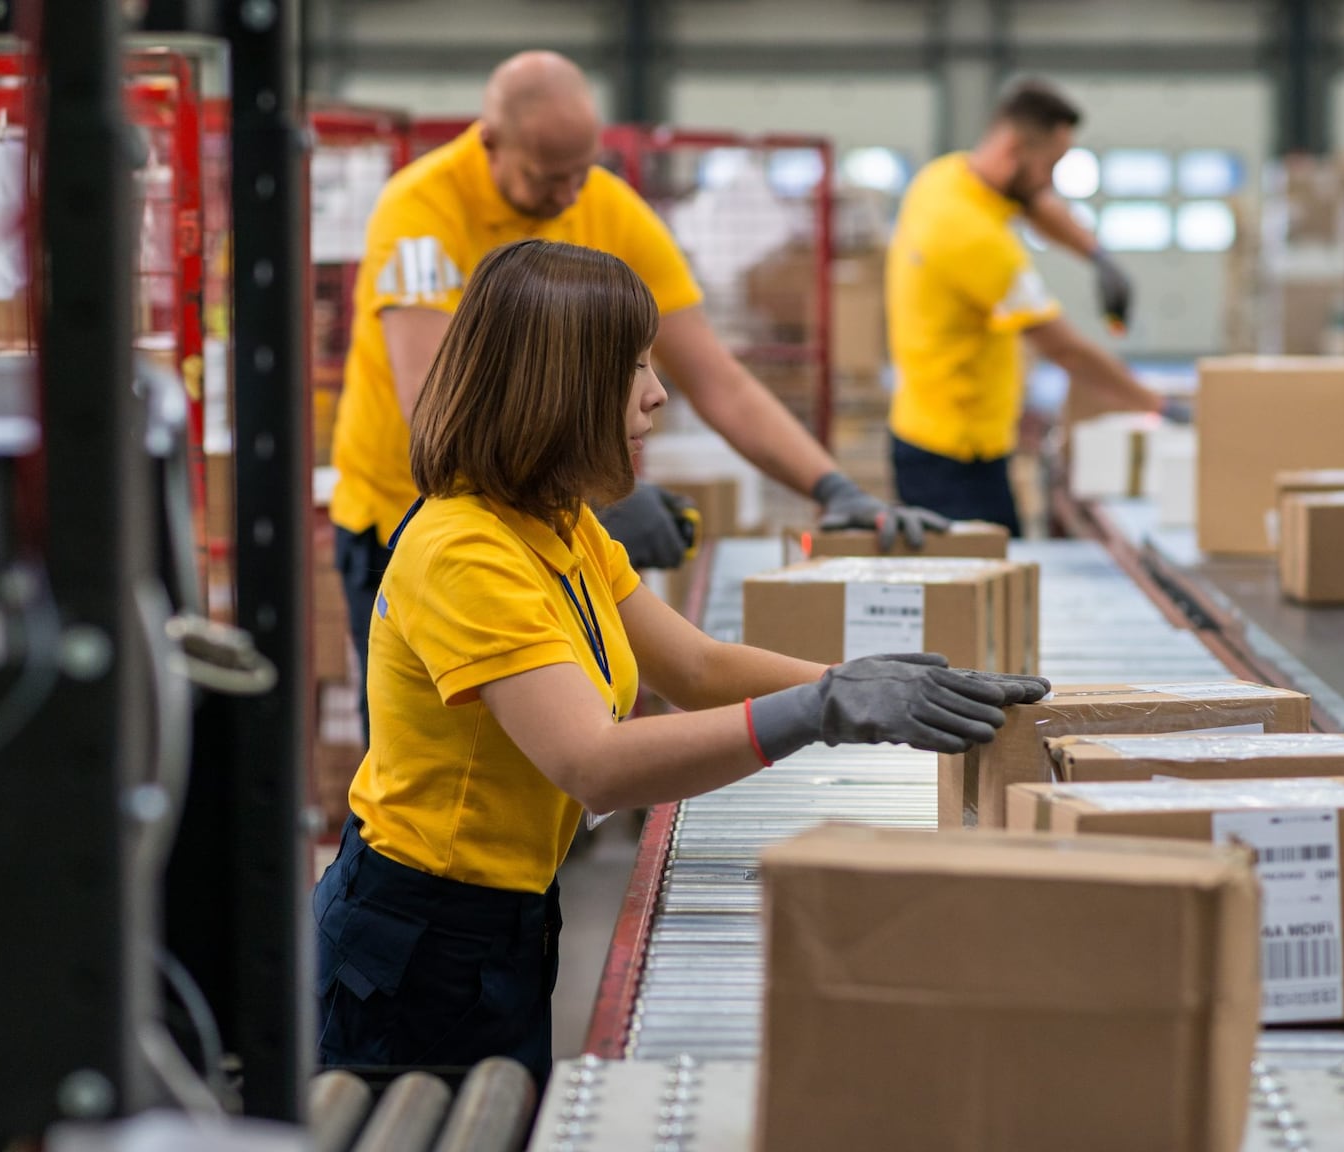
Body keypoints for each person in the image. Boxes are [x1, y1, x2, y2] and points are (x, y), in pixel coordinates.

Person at [313, 239, 1048, 1084]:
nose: (657, 394)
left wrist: (864, 684)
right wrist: (820, 714)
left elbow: (691, 666)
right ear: (560, 386)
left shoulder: (558, 521)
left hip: (504, 918)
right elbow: (594, 765)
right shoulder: (464, 552)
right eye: (631, 368)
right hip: (415, 942)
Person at [330, 50, 946, 741]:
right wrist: (594, 489)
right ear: (490, 141)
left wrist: (832, 486)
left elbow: (718, 379)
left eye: (582, 170)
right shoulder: (422, 210)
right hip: (407, 510)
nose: (570, 194)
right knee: (446, 742)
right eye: (548, 176)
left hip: (541, 509)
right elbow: (435, 400)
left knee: (542, 742)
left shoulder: (604, 206)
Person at [886, 77, 1182, 536]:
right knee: (988, 588)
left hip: (936, 434)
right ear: (1013, 148)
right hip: (954, 459)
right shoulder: (976, 240)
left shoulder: (946, 178)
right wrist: (1157, 406)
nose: (1052, 181)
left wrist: (1097, 256)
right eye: (1051, 164)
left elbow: (1037, 204)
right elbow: (1066, 351)